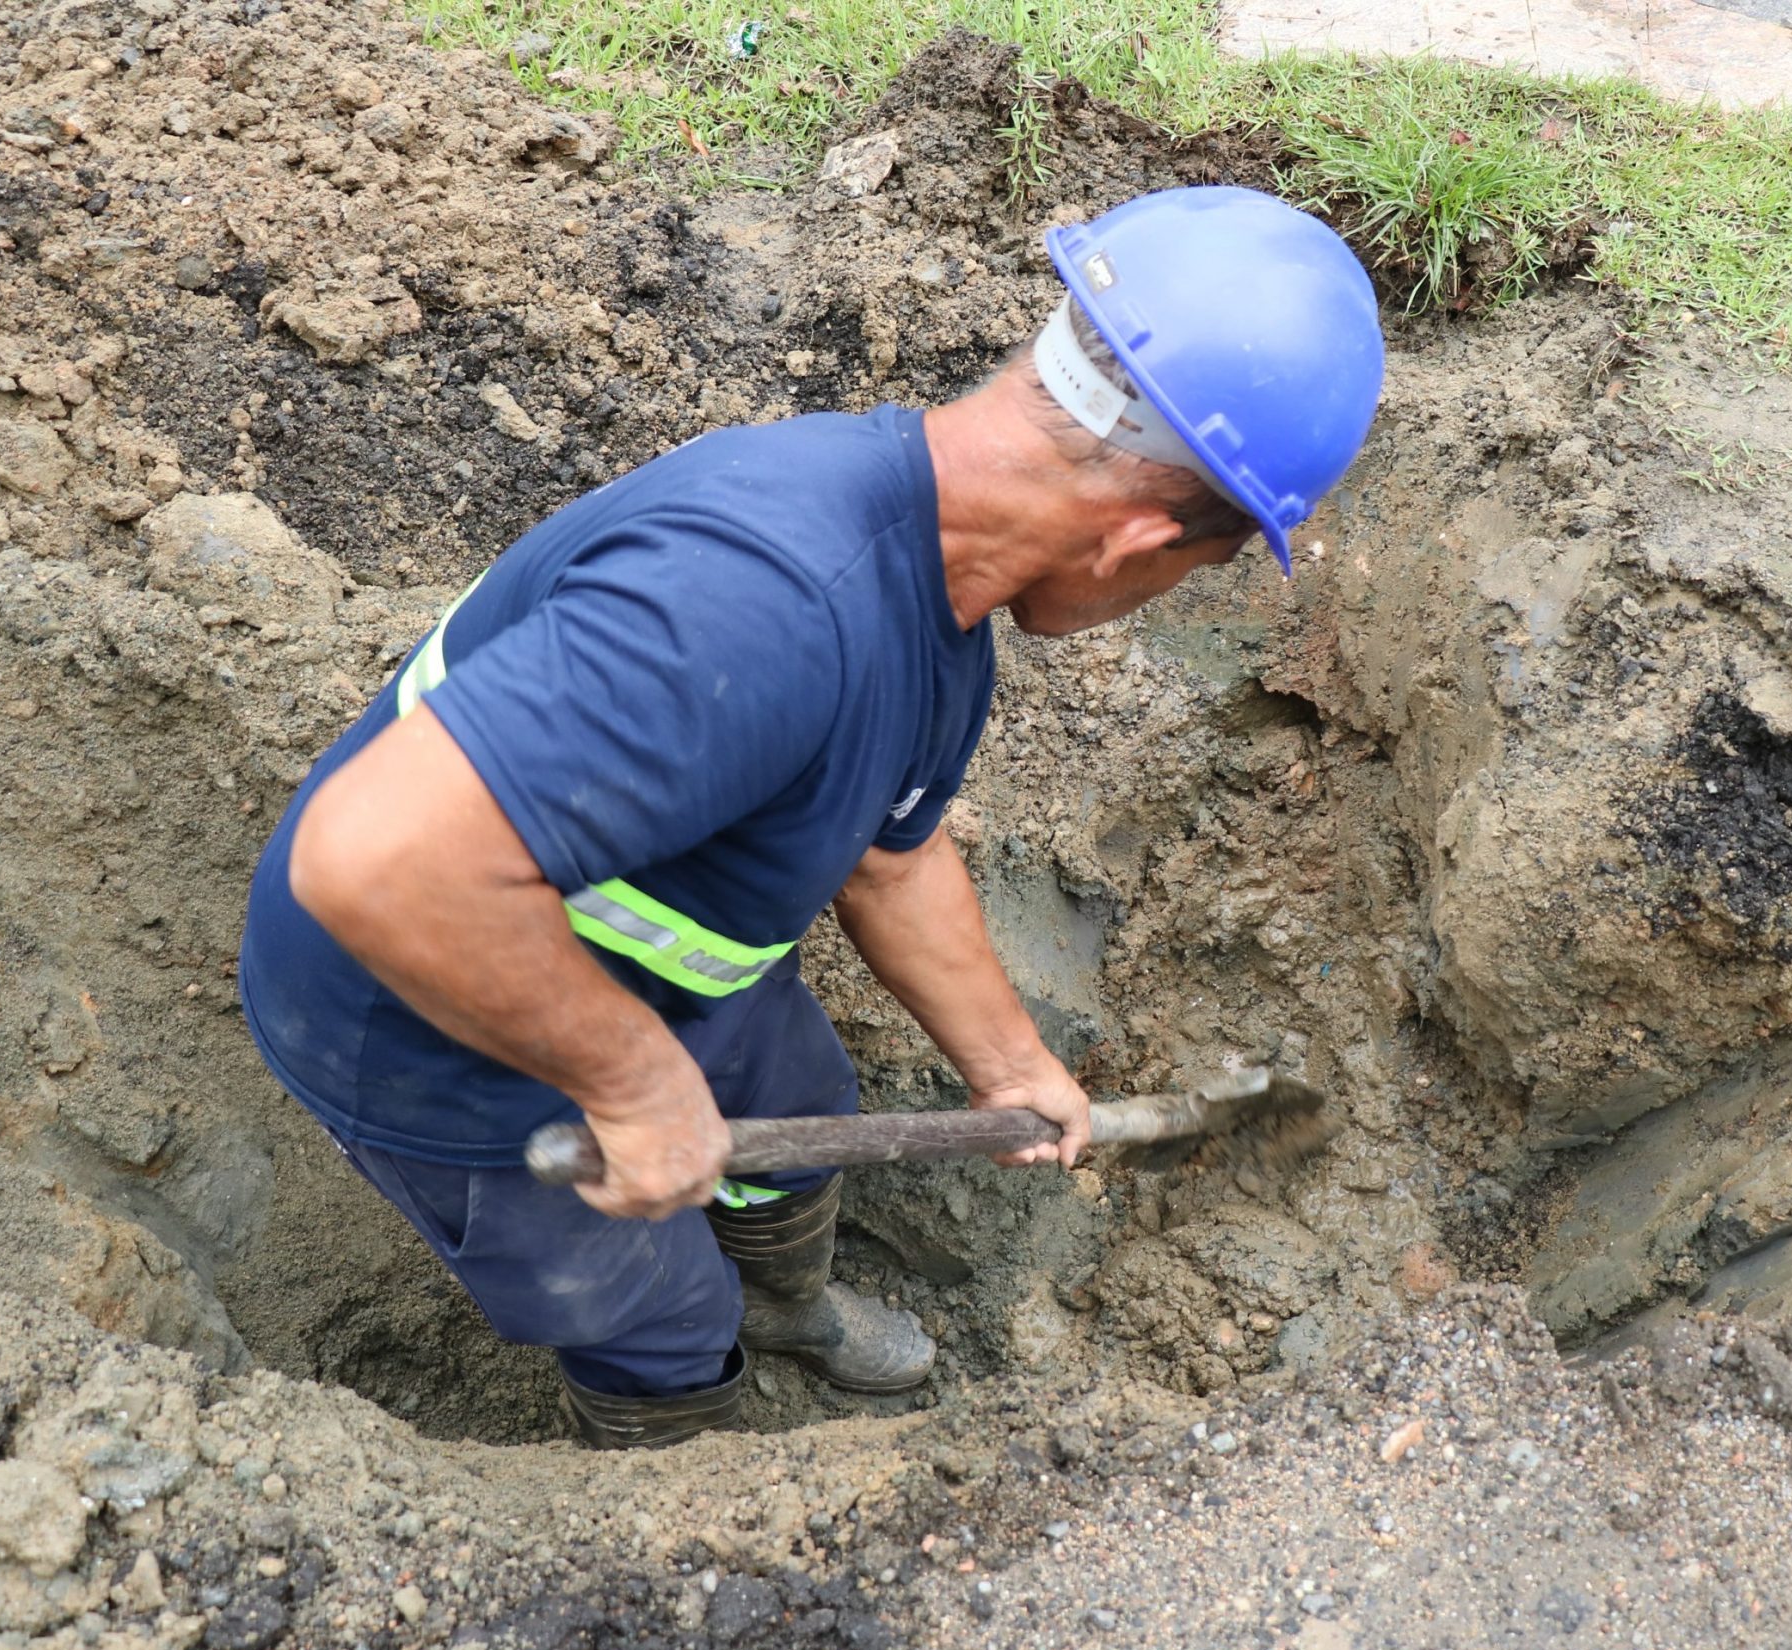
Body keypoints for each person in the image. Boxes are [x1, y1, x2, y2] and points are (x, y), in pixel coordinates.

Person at [237, 186, 1386, 1448]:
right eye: (1198, 569)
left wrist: (1010, 1068)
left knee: (801, 1116)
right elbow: (378, 861)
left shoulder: (934, 584)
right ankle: (684, 1467)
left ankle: (784, 1307)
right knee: (650, 1306)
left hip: (652, 959)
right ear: (1137, 539)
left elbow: (890, 860)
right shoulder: (760, 606)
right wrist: (633, 1085)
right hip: (426, 1016)